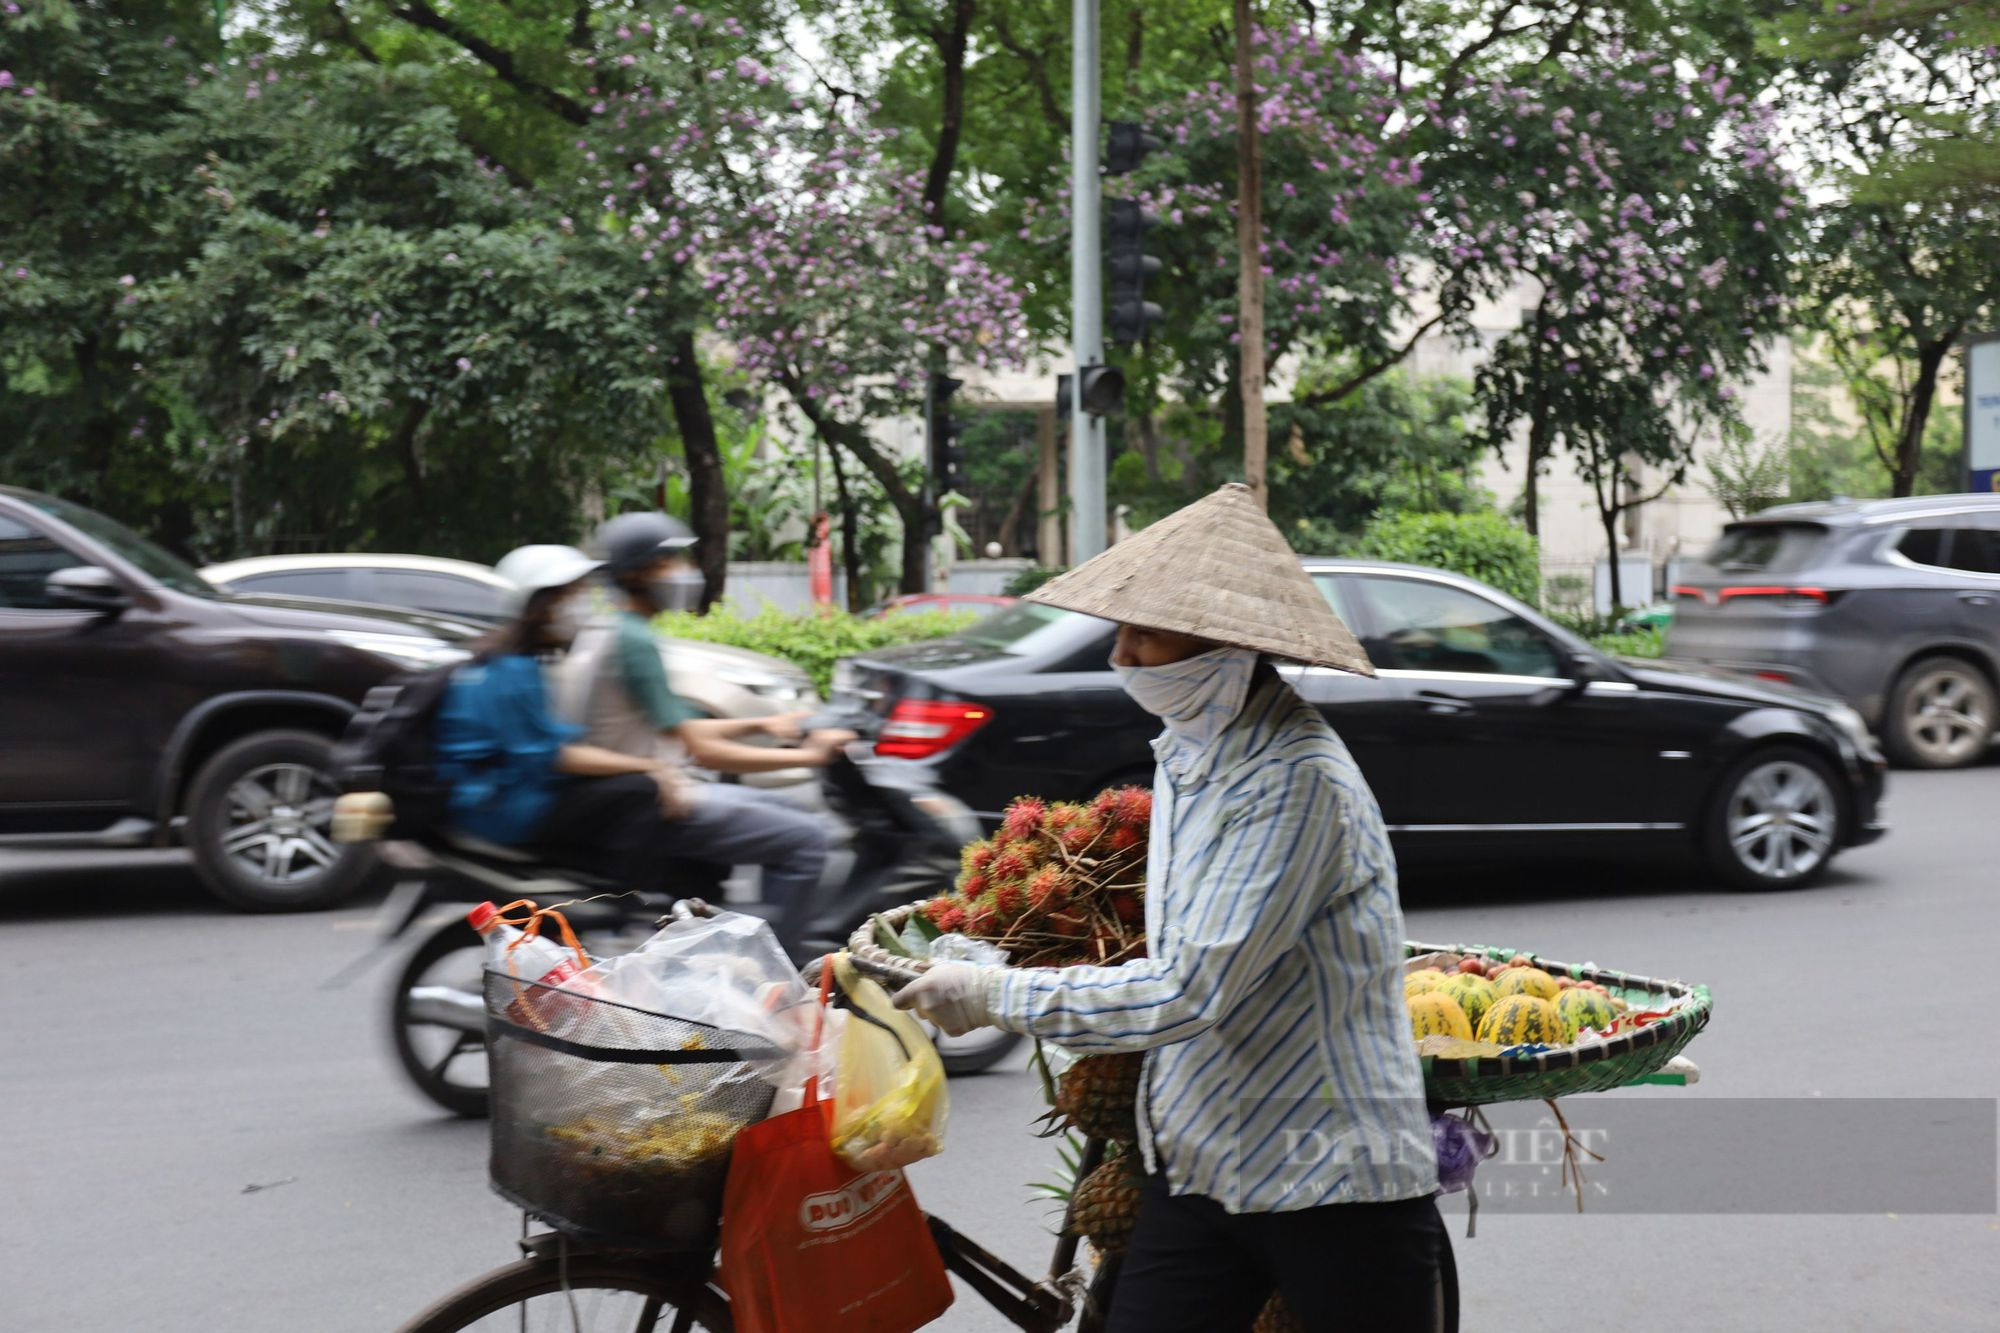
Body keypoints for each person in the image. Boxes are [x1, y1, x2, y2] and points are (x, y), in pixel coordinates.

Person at [893, 483, 1447, 1332]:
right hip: (1204, 1168)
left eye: (1146, 631)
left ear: (1227, 647)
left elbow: (1187, 988)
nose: (1122, 653)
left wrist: (993, 996)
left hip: (1331, 1181)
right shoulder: (1194, 753)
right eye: (1122, 628)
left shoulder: (1296, 780)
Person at [551, 512, 851, 955]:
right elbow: (703, 751)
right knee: (807, 840)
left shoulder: (613, 628)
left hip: (634, 794)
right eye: (666, 562)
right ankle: (766, 972)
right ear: (635, 573)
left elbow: (678, 726)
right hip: (649, 802)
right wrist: (811, 757)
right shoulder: (634, 641)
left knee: (783, 809)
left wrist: (761, 724)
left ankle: (739, 942)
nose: (681, 573)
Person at [433, 544, 704, 891]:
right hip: (504, 809)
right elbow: (556, 756)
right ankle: (622, 901)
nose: (582, 604)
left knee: (625, 788)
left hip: (513, 792)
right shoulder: (511, 672)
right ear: (540, 605)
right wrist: (651, 768)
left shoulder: (517, 662)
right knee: (641, 791)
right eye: (571, 594)